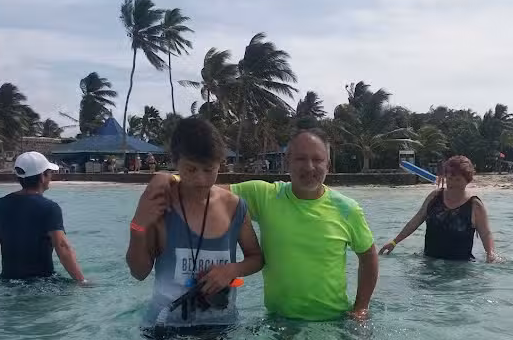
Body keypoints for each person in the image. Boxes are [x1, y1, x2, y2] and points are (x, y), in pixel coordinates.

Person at [142, 128, 379, 322]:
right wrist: (166, 178)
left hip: (332, 319)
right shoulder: (264, 195)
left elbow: (368, 256)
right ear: (287, 162)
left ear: (328, 164)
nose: (309, 167)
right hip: (278, 320)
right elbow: (206, 190)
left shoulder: (347, 209)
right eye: (300, 159)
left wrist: (361, 308)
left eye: (317, 160)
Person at [126, 118, 263, 331]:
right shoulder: (162, 204)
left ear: (219, 164)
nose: (200, 179)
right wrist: (138, 226)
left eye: (209, 170)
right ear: (175, 162)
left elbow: (256, 258)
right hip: (165, 323)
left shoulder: (234, 207)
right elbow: (139, 272)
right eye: (191, 169)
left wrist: (232, 269)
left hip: (220, 322)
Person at [0, 151, 86, 282]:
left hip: (7, 281)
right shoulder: (50, 208)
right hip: (42, 282)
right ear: (42, 177)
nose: (51, 176)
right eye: (49, 172)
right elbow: (62, 246)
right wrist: (82, 281)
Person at [379, 155, 498, 262]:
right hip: (429, 262)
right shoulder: (435, 197)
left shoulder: (474, 205)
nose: (453, 183)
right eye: (450, 179)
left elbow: (485, 233)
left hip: (460, 266)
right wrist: (394, 242)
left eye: (458, 180)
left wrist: (491, 254)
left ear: (467, 181)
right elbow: (416, 221)